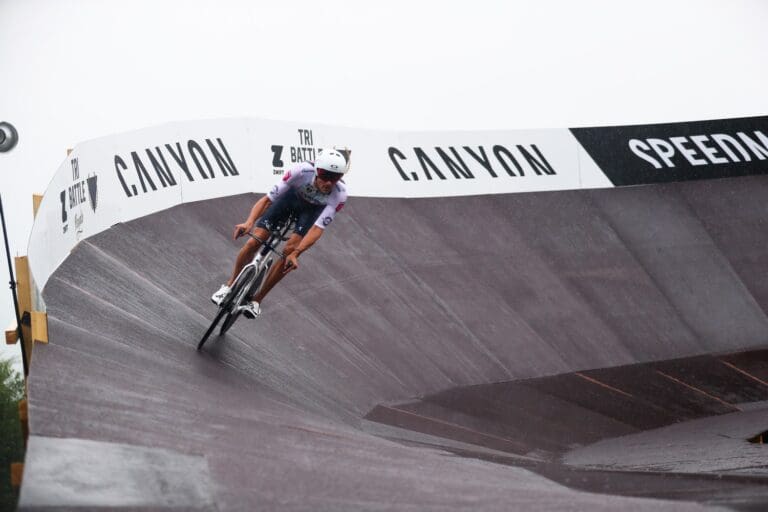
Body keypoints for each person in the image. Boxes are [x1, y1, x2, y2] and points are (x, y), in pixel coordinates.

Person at [211, 147, 350, 317]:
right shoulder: (300, 172)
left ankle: (256, 301)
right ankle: (229, 285)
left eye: (335, 177)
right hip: (289, 200)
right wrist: (249, 222)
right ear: (316, 170)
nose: (329, 182)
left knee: (288, 255)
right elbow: (267, 200)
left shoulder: (340, 194)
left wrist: (296, 253)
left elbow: (317, 229)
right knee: (254, 241)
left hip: (310, 212)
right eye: (325, 175)